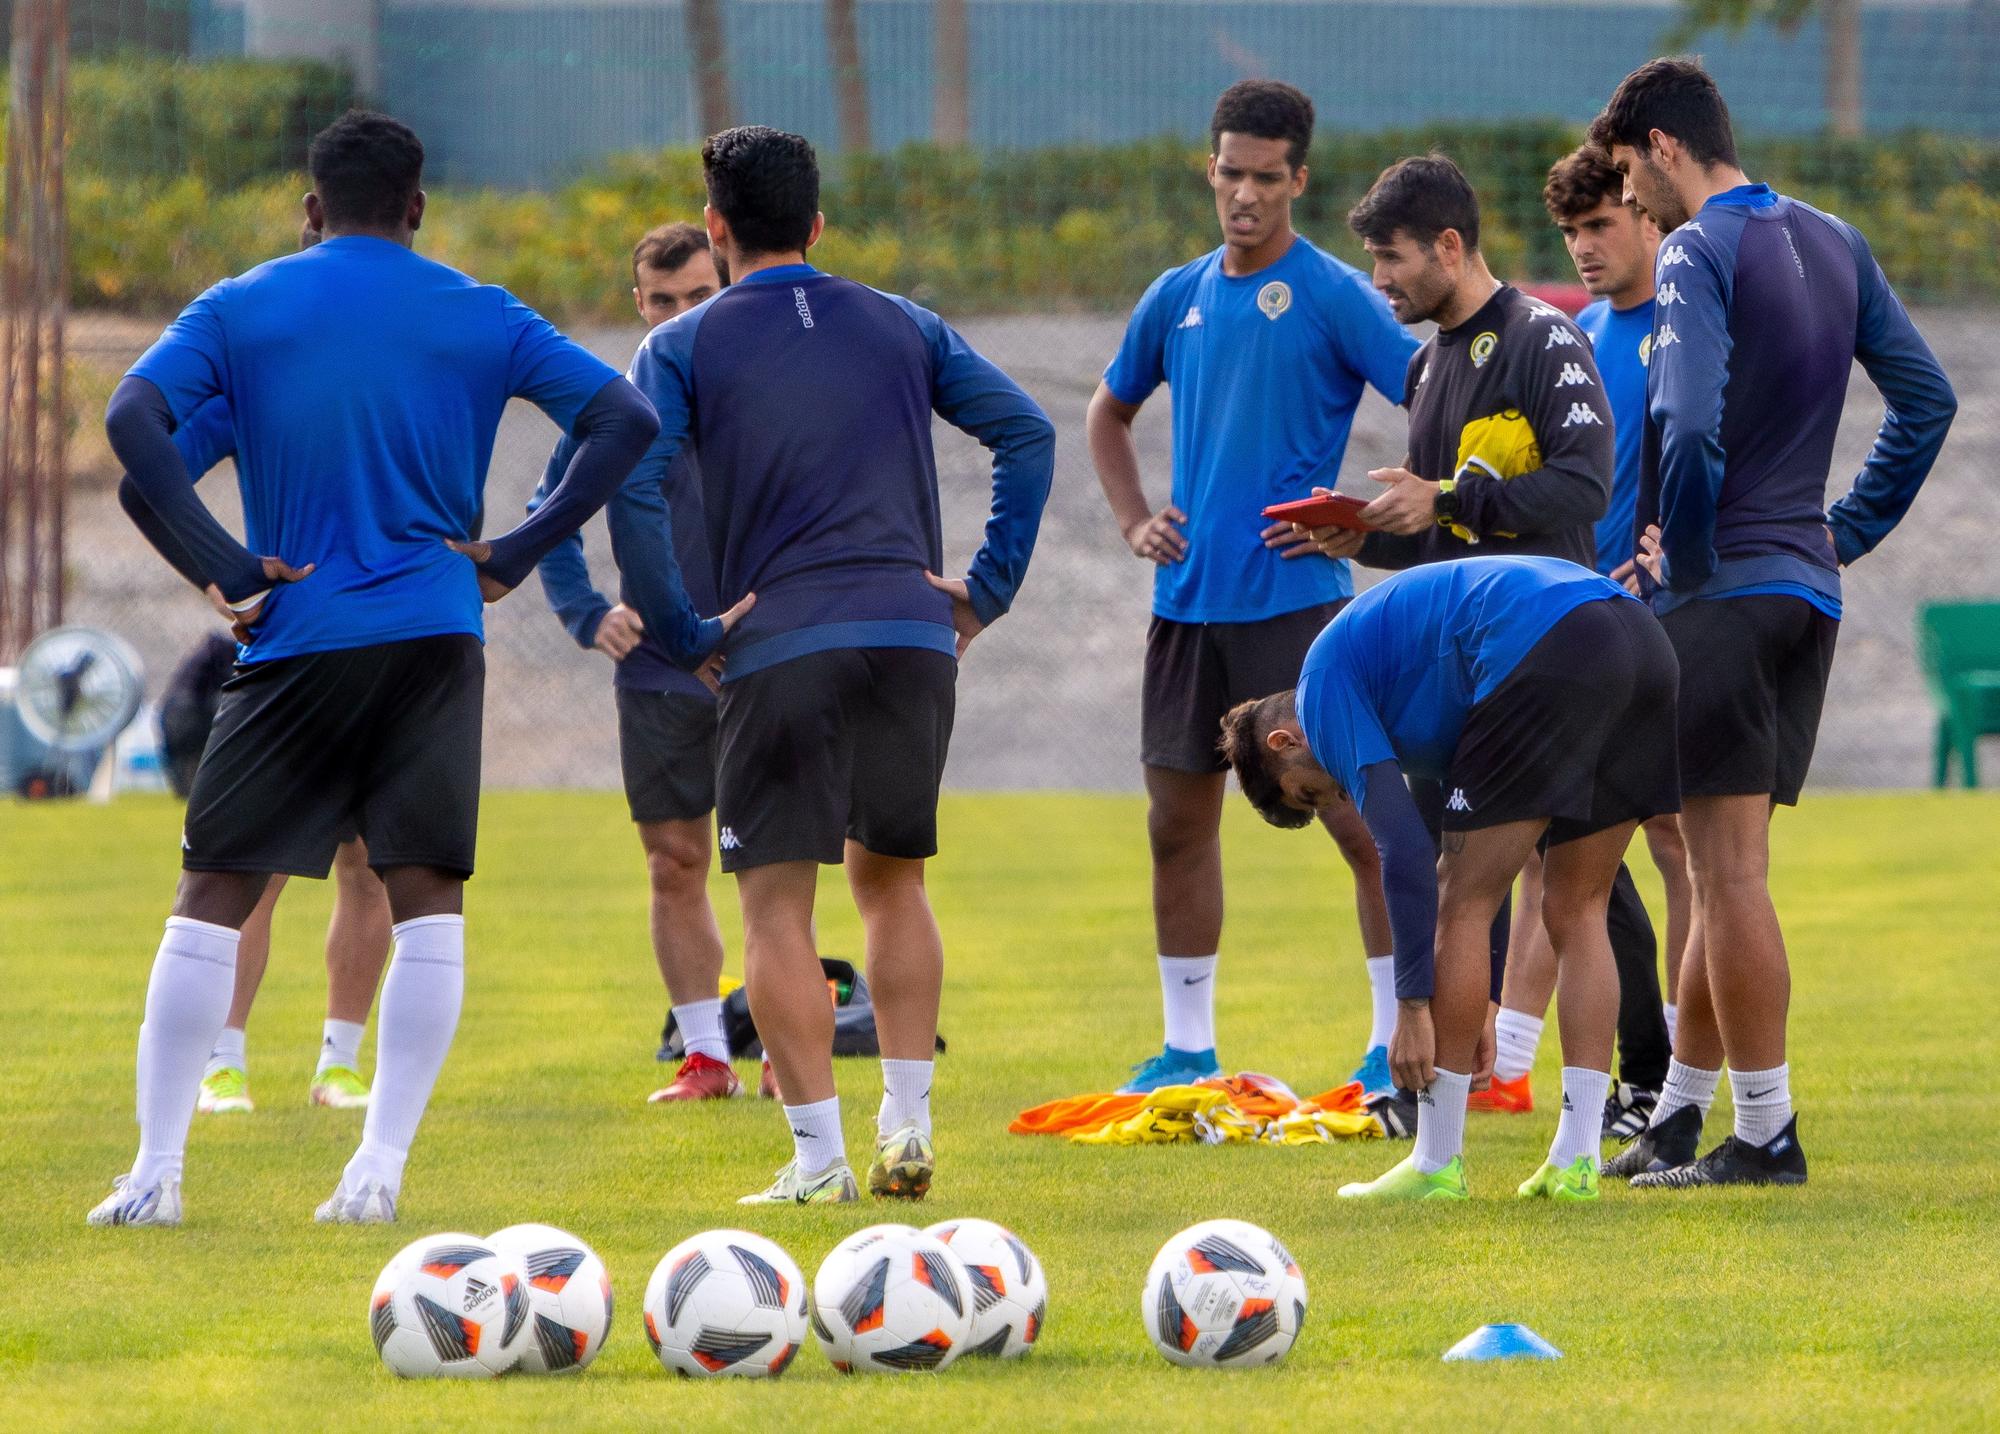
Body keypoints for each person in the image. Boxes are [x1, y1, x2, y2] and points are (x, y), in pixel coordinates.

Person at [88, 109, 714, 1229]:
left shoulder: (242, 306)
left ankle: (156, 1176)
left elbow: (135, 430)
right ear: (418, 209)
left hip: (298, 637)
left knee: (210, 899)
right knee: (427, 901)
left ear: (310, 207)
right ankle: (376, 1170)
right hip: (435, 634)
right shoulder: (480, 311)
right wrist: (519, 550)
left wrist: (223, 566)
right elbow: (623, 415)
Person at [609, 125, 1054, 1204]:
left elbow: (629, 486)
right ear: (816, 224)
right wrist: (983, 587)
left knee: (775, 909)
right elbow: (1029, 433)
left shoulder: (678, 347)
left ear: (715, 231)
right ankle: (905, 1125)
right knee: (892, 883)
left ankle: (818, 1162)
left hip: (781, 641)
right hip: (910, 637)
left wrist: (683, 629)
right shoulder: (904, 322)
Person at [1589, 59, 1955, 1186]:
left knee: (1726, 874)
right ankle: (1682, 1121)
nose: (1633, 212)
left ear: (1658, 146)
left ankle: (1766, 1133)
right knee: (1715, 865)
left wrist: (1683, 561)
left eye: (1625, 181)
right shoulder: (1832, 238)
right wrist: (1841, 528)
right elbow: (1924, 398)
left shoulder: (1700, 249)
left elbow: (1687, 424)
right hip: (1803, 593)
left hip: (1723, 595)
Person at [1086, 81, 1418, 1098]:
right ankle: (1187, 1048)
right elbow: (1106, 415)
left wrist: (1396, 504)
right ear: (1210, 168)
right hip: (1187, 608)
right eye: (1229, 173)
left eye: (1264, 179)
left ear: (1297, 181)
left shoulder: (1329, 294)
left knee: (1361, 827)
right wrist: (1135, 517)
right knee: (1175, 825)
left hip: (1298, 608)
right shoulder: (1174, 294)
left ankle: (1384, 1044)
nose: (1243, 195)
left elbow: (1432, 394)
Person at [1220, 556, 1680, 1201]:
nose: (1333, 802)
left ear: (1281, 743)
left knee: (1459, 894)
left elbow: (1405, 857)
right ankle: (1576, 1163)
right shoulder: (1401, 692)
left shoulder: (1321, 690)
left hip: (1547, 642)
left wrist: (1411, 1009)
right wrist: (1481, 997)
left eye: (1308, 795)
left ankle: (1436, 1164)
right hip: (1639, 641)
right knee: (1579, 910)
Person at [1461, 144, 1694, 1144]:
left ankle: (1684, 1078)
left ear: (1649, 217)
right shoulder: (1577, 334)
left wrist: (1668, 554)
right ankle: (1510, 1066)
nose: (1584, 249)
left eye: (1600, 225)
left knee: (1679, 844)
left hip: (1670, 614)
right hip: (1576, 616)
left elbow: (1706, 453)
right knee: (1546, 840)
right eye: (1569, 234)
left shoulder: (1690, 324)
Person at [529, 222, 755, 1104]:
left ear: (727, 282)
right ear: (638, 306)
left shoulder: (768, 388)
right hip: (660, 671)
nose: (679, 316)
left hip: (759, 663)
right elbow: (549, 511)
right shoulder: (619, 400)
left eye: (698, 297)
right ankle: (707, 1058)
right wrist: (589, 613)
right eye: (661, 303)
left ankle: (787, 1042)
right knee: (673, 859)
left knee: (778, 860)